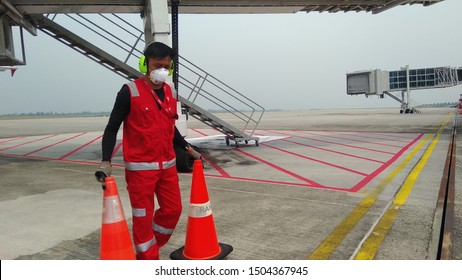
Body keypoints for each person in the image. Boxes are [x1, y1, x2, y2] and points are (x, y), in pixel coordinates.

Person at [96, 42, 201, 260]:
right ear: (146, 64)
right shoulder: (129, 92)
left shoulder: (170, 92)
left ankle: (149, 245)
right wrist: (106, 161)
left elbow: (169, 128)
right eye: (156, 65)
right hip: (140, 171)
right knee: (142, 217)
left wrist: (188, 148)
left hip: (168, 167)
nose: (161, 70)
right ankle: (148, 260)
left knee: (173, 210)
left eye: (166, 66)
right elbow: (111, 127)